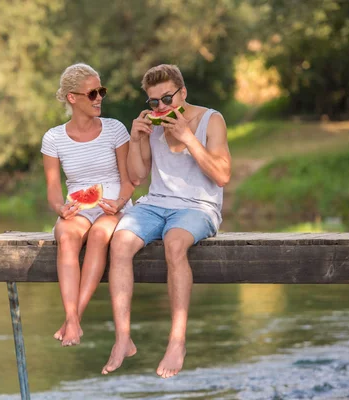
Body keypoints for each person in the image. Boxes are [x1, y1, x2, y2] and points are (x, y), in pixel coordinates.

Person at [101, 64, 231, 377]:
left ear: (183, 93)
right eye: (154, 102)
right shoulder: (153, 123)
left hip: (199, 206)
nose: (161, 107)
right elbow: (138, 175)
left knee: (174, 243)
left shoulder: (211, 120)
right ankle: (123, 338)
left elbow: (222, 175)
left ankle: (177, 341)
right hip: (155, 204)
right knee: (119, 242)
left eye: (167, 99)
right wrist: (136, 139)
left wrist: (188, 137)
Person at [41, 63, 134, 347]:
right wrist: (60, 209)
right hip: (77, 208)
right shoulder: (53, 138)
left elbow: (130, 179)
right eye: (92, 93)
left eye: (101, 91)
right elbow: (54, 189)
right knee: (67, 237)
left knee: (98, 235)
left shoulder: (115, 129)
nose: (99, 98)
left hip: (114, 205)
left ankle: (73, 320)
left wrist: (119, 202)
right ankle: (72, 319)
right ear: (72, 97)